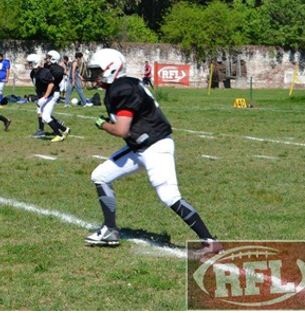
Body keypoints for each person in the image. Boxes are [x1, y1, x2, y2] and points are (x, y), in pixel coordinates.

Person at [84, 49, 222, 260]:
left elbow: (121, 130)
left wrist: (102, 124)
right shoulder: (122, 85)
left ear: (111, 69)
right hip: (139, 146)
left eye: (96, 71)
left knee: (169, 196)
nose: (93, 76)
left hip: (155, 146)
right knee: (100, 176)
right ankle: (110, 230)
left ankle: (210, 242)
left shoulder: (122, 89)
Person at [27, 52, 70, 142]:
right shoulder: (34, 73)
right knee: (43, 115)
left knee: (45, 116)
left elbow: (51, 84)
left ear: (35, 62)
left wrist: (44, 97)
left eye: (30, 63)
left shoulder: (42, 72)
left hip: (51, 95)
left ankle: (59, 136)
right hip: (46, 95)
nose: (28, 65)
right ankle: (64, 129)